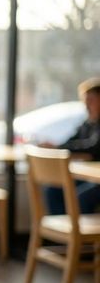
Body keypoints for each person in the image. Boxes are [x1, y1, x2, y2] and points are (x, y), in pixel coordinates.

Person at [41, 77, 100, 215]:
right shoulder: (88, 123)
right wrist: (56, 147)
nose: (87, 105)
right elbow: (71, 142)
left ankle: (80, 235)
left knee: (81, 197)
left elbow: (93, 147)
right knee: (52, 189)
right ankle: (64, 233)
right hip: (90, 177)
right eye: (85, 101)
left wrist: (59, 148)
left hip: (97, 180)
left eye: (91, 100)